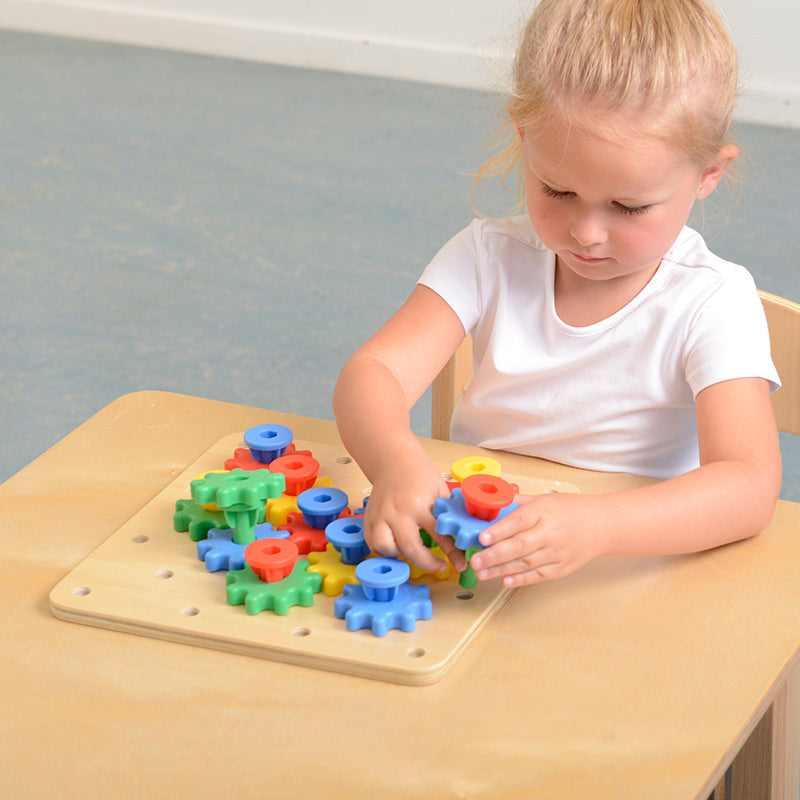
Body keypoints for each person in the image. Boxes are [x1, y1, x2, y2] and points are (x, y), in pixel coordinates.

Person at [332, 0, 782, 588]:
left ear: (708, 175)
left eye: (629, 207)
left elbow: (749, 484)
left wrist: (600, 526)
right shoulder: (487, 255)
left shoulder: (713, 302)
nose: (586, 233)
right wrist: (395, 461)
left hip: (629, 570)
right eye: (558, 191)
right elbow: (373, 373)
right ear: (524, 134)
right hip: (481, 567)